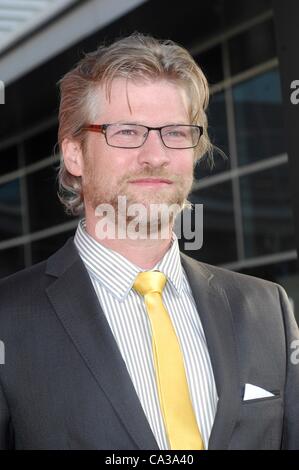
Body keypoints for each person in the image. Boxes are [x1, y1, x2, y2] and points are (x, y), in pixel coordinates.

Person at [0, 33, 299, 451]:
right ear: (74, 155)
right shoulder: (8, 320)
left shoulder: (268, 310)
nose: (155, 154)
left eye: (175, 133)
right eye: (127, 131)